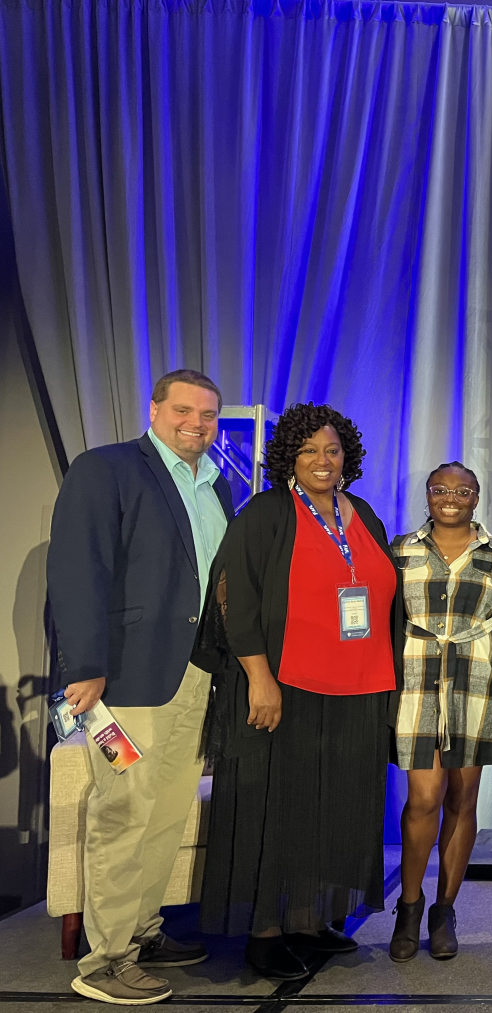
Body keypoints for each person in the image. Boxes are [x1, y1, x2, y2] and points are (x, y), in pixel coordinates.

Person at [193, 403, 403, 981]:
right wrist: (259, 677)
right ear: (289, 456)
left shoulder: (361, 513)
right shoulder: (266, 513)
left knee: (335, 803)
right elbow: (236, 598)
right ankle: (264, 933)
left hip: (358, 688)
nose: (321, 460)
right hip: (286, 688)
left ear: (347, 457)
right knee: (278, 806)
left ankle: (311, 919)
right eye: (308, 450)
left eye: (331, 450)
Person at [48, 369, 232, 1006]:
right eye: (184, 410)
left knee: (164, 811)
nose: (196, 424)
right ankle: (104, 960)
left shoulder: (216, 485)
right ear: (154, 409)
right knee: (123, 812)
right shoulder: (106, 469)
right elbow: (78, 571)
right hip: (123, 677)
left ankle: (142, 932)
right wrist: (86, 665)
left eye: (208, 415)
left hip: (194, 674)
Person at [388, 462, 492, 961]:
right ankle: (408, 908)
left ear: (477, 497)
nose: (451, 497)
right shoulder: (399, 550)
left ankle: (444, 911)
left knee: (462, 796)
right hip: (415, 684)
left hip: (476, 682)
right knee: (424, 798)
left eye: (463, 490)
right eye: (440, 489)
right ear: (429, 495)